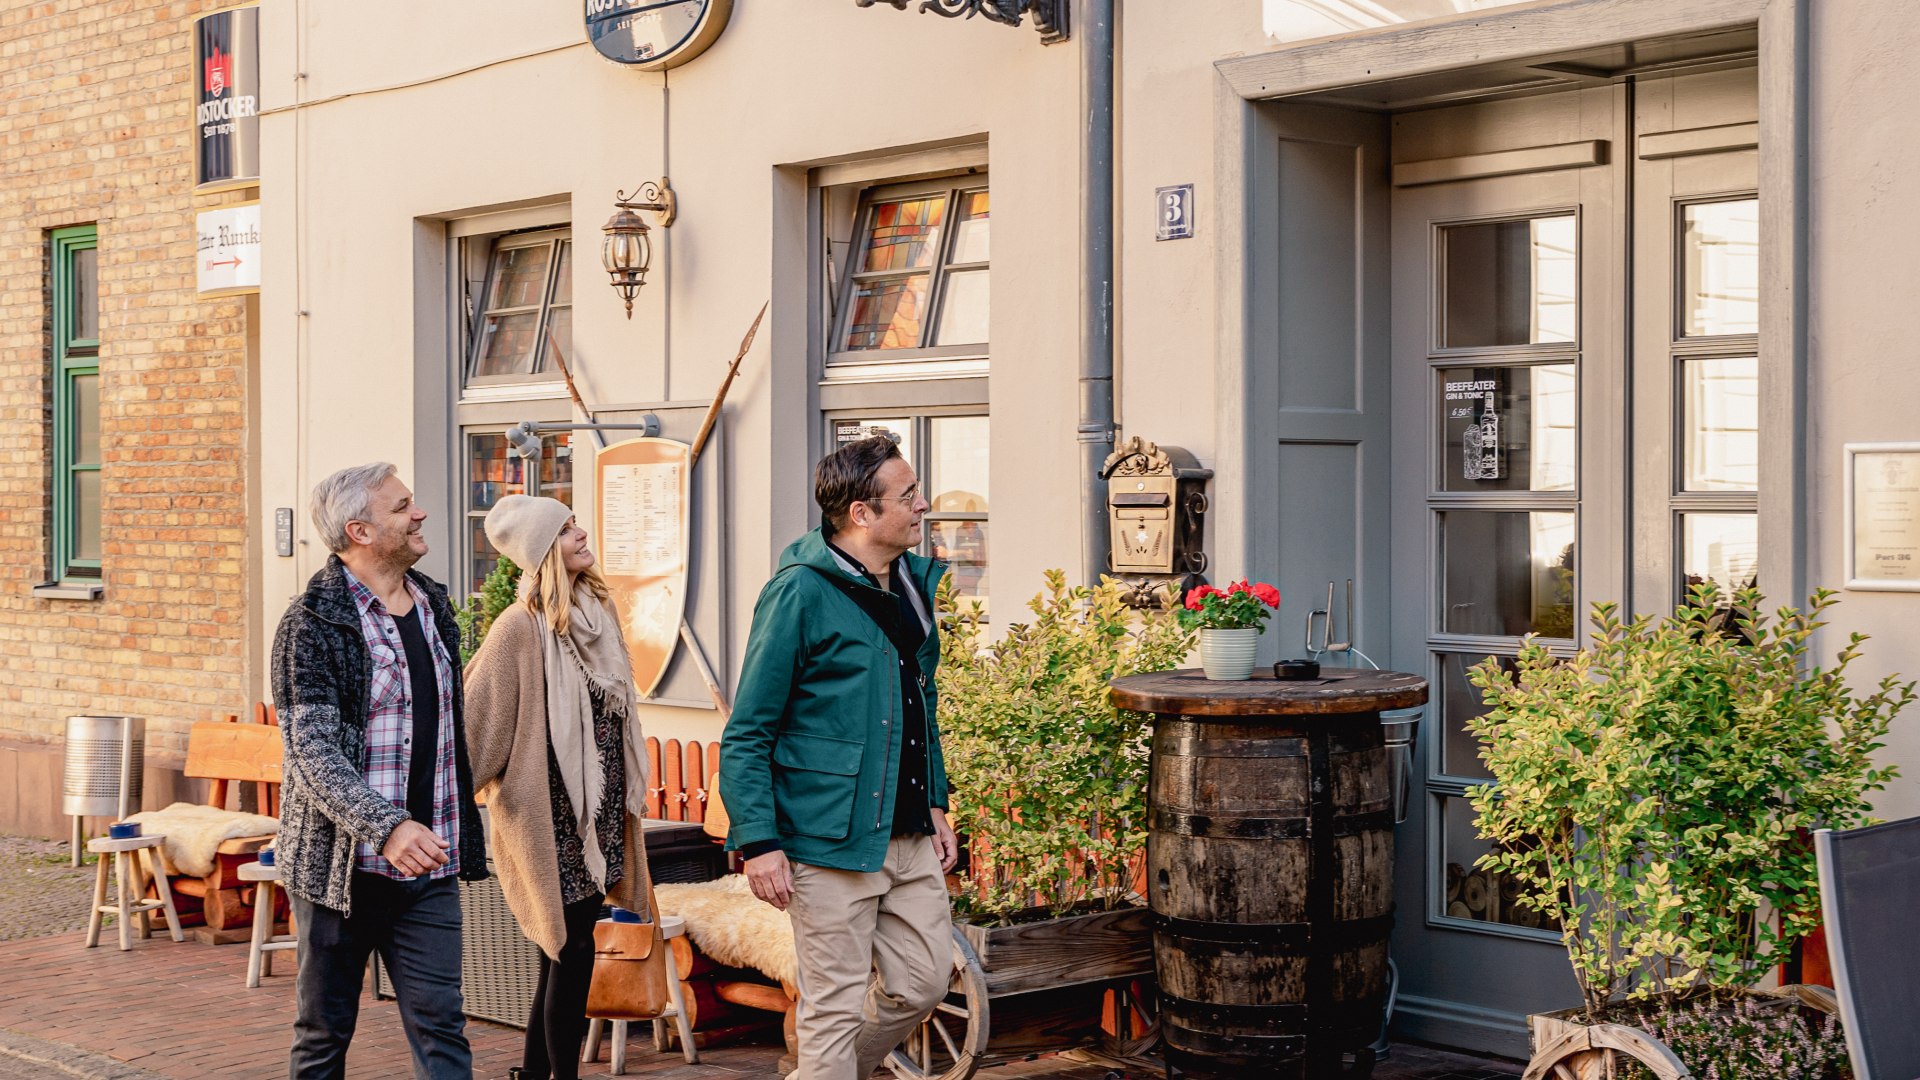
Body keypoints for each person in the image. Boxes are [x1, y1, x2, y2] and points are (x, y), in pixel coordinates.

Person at [720, 435, 959, 1080]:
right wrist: (759, 841)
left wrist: (936, 798)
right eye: (907, 496)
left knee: (923, 983)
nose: (923, 505)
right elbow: (748, 730)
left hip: (907, 831)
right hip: (827, 839)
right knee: (831, 1011)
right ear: (861, 513)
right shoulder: (798, 593)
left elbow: (920, 706)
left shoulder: (911, 582)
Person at [271, 462, 486, 1080]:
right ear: (360, 531)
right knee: (323, 1034)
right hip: (343, 873)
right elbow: (312, 754)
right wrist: (387, 827)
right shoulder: (311, 622)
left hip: (429, 867)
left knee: (443, 1028)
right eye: (402, 507)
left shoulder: (434, 604)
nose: (419, 514)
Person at [463, 495, 653, 1080]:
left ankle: (532, 1074)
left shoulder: (596, 613)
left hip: (596, 820)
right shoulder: (518, 630)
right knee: (568, 954)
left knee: (562, 954)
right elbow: (475, 730)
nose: (581, 533)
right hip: (547, 820)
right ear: (544, 550)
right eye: (567, 529)